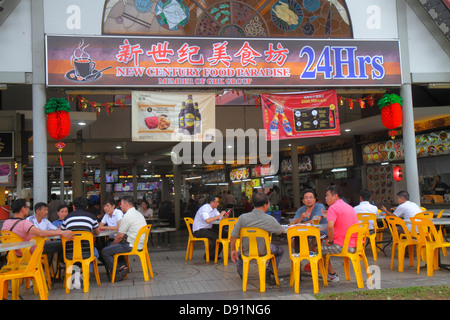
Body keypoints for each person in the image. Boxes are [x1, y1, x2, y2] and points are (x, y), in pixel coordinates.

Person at [230, 193, 284, 285]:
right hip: (264, 251)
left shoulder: (242, 218)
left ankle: (242, 271)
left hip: (246, 250)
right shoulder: (269, 219)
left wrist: (233, 250)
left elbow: (233, 236)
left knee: (240, 254)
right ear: (265, 205)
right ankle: (268, 271)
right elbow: (279, 231)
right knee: (280, 250)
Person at [1, 198, 74, 264]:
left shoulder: (6, 223)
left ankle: (50, 269)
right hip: (30, 252)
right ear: (23, 209)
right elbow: (41, 233)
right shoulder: (25, 223)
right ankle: (62, 268)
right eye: (27, 207)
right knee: (62, 244)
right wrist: (62, 232)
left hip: (13, 255)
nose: (28, 209)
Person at [101, 196, 147, 282]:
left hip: (132, 245)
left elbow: (119, 237)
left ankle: (118, 271)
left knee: (105, 251)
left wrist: (112, 245)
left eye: (121, 204)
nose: (120, 206)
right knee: (114, 248)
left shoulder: (127, 216)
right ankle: (123, 267)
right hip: (140, 243)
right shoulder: (138, 213)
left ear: (126, 204)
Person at [320, 185, 359, 283]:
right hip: (355, 245)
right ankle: (331, 274)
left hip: (342, 246)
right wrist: (327, 216)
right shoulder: (349, 207)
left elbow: (330, 226)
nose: (325, 198)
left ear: (335, 196)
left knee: (316, 249)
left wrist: (330, 240)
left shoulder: (333, 208)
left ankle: (331, 275)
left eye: (327, 195)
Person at [192, 194, 228, 261]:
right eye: (217, 202)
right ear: (212, 202)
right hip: (199, 230)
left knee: (223, 235)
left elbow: (219, 218)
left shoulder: (214, 209)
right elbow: (208, 220)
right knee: (216, 236)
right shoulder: (205, 208)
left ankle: (215, 254)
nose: (218, 203)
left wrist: (224, 217)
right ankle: (209, 256)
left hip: (208, 228)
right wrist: (220, 215)